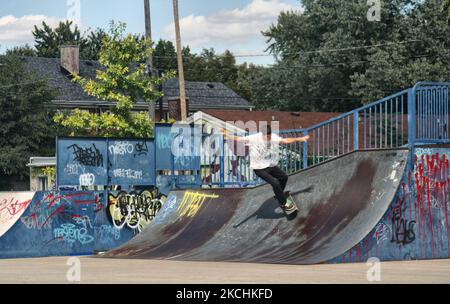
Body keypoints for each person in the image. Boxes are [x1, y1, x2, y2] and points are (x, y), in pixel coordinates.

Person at [222, 125, 309, 212]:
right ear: (262, 134)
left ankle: (279, 195)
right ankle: (283, 203)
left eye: (269, 136)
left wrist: (299, 139)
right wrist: (227, 134)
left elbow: (285, 141)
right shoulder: (254, 137)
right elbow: (238, 139)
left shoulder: (273, 137)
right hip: (258, 169)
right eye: (266, 136)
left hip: (269, 165)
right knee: (275, 183)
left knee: (284, 177)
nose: (268, 138)